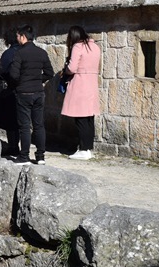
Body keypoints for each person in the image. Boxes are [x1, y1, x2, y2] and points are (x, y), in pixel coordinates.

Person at [10, 24, 54, 165]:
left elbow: (13, 75)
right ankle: (40, 156)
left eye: (17, 36)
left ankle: (24, 157)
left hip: (24, 92)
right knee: (39, 125)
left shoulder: (19, 53)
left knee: (24, 126)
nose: (16, 39)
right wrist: (37, 79)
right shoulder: (41, 52)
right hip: (38, 92)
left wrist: (22, 81)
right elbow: (49, 73)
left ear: (23, 37)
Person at [61, 26, 102, 160]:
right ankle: (88, 147)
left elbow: (72, 68)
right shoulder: (95, 47)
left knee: (80, 118)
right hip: (91, 84)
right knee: (89, 118)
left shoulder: (78, 47)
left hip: (80, 84)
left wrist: (65, 70)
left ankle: (83, 149)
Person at [0, 29, 20, 157]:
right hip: (24, 89)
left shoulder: (9, 53)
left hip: (11, 90)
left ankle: (13, 146)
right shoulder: (23, 51)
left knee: (11, 122)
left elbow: (2, 70)